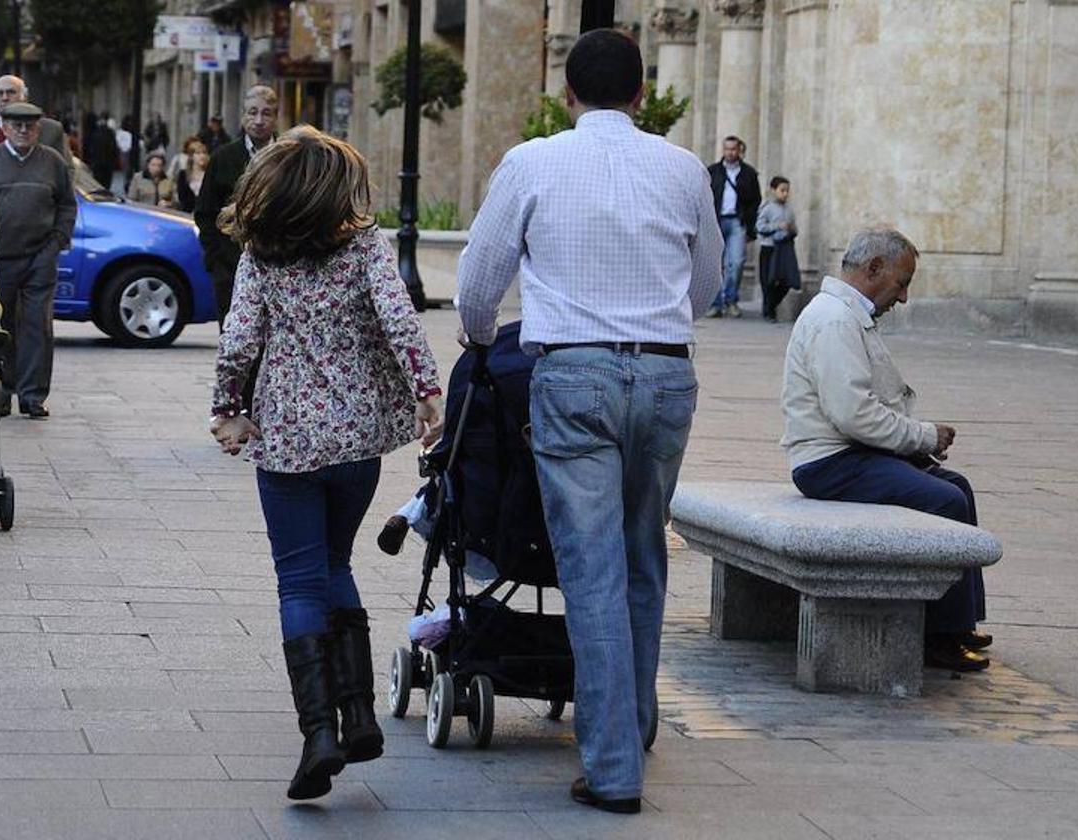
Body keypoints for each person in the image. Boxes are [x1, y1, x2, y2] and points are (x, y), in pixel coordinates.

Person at [456, 29, 721, 815]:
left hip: (574, 373)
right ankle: (632, 724)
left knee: (593, 571)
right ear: (642, 95)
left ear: (566, 95)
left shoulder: (532, 162)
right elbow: (706, 282)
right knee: (644, 553)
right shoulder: (682, 169)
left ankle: (611, 770)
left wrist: (478, 341)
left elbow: (479, 279)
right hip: (667, 371)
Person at [208, 125, 444, 802]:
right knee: (336, 566)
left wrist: (229, 409)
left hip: (286, 443)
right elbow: (400, 319)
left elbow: (240, 339)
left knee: (300, 582)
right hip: (355, 444)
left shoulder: (260, 256)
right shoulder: (364, 246)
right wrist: (428, 393)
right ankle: (360, 713)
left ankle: (319, 734)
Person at [780, 227, 990, 672]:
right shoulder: (834, 320)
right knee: (944, 501)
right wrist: (923, 437)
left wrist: (915, 446)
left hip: (852, 453)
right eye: (903, 282)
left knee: (958, 486)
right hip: (829, 462)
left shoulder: (847, 315)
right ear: (874, 269)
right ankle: (937, 636)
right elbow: (853, 415)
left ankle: (961, 621)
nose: (905, 297)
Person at [0, 103, 77, 420]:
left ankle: (32, 396)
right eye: (15, 124)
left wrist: (56, 241)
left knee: (37, 327)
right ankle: (1, 392)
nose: (22, 130)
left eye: (29, 125)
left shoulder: (52, 162)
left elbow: (67, 206)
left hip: (39, 257)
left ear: (39, 129)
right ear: (3, 127)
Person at [195, 86, 279, 328]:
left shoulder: (289, 156)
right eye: (252, 113)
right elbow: (205, 212)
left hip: (279, 265)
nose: (259, 120)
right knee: (234, 336)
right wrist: (216, 259)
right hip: (231, 267)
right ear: (243, 116)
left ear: (275, 118)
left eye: (266, 113)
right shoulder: (223, 157)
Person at [0, 75, 74, 180]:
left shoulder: (51, 130)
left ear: (24, 97)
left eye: (11, 92)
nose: (5, 98)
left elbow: (67, 171)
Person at [706, 135, 760, 318]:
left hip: (738, 222)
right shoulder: (713, 172)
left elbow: (755, 203)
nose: (730, 152)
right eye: (727, 149)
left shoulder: (749, 174)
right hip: (716, 221)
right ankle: (715, 303)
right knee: (714, 264)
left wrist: (751, 229)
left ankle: (731, 300)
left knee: (735, 263)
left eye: (733, 149)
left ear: (740, 150)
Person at [755, 175, 799, 322]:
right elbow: (760, 227)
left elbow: (795, 230)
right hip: (769, 248)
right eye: (782, 190)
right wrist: (776, 227)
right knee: (768, 280)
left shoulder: (790, 210)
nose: (785, 193)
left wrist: (791, 229)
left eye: (787, 191)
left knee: (785, 281)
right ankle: (768, 310)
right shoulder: (767, 208)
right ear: (774, 190)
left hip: (784, 249)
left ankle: (772, 305)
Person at [82, 112, 119, 190]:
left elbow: (87, 150)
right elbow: (114, 148)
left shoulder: (91, 133)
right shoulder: (109, 132)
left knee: (97, 184)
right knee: (106, 185)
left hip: (96, 164)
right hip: (107, 164)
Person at [173, 142, 209, 213]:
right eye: (198, 153)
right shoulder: (183, 174)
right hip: (186, 213)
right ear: (192, 156)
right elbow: (182, 197)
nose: (202, 156)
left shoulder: (210, 174)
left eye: (204, 153)